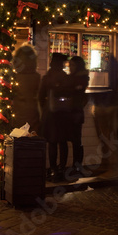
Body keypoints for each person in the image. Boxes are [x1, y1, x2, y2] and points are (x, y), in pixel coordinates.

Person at [38, 52, 71, 182]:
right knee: (63, 142)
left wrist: (44, 109)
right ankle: (62, 169)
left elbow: (40, 97)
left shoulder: (47, 77)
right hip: (64, 115)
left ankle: (53, 170)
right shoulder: (66, 77)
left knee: (52, 143)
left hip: (50, 114)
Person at [11, 43, 41, 133]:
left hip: (17, 113)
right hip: (33, 113)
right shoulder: (37, 77)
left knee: (18, 142)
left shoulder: (15, 78)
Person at [68, 56, 89, 175]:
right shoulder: (81, 78)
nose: (70, 68)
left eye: (73, 65)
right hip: (75, 112)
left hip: (75, 113)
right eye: (69, 65)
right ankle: (77, 166)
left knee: (76, 141)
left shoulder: (79, 78)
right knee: (76, 140)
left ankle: (77, 166)